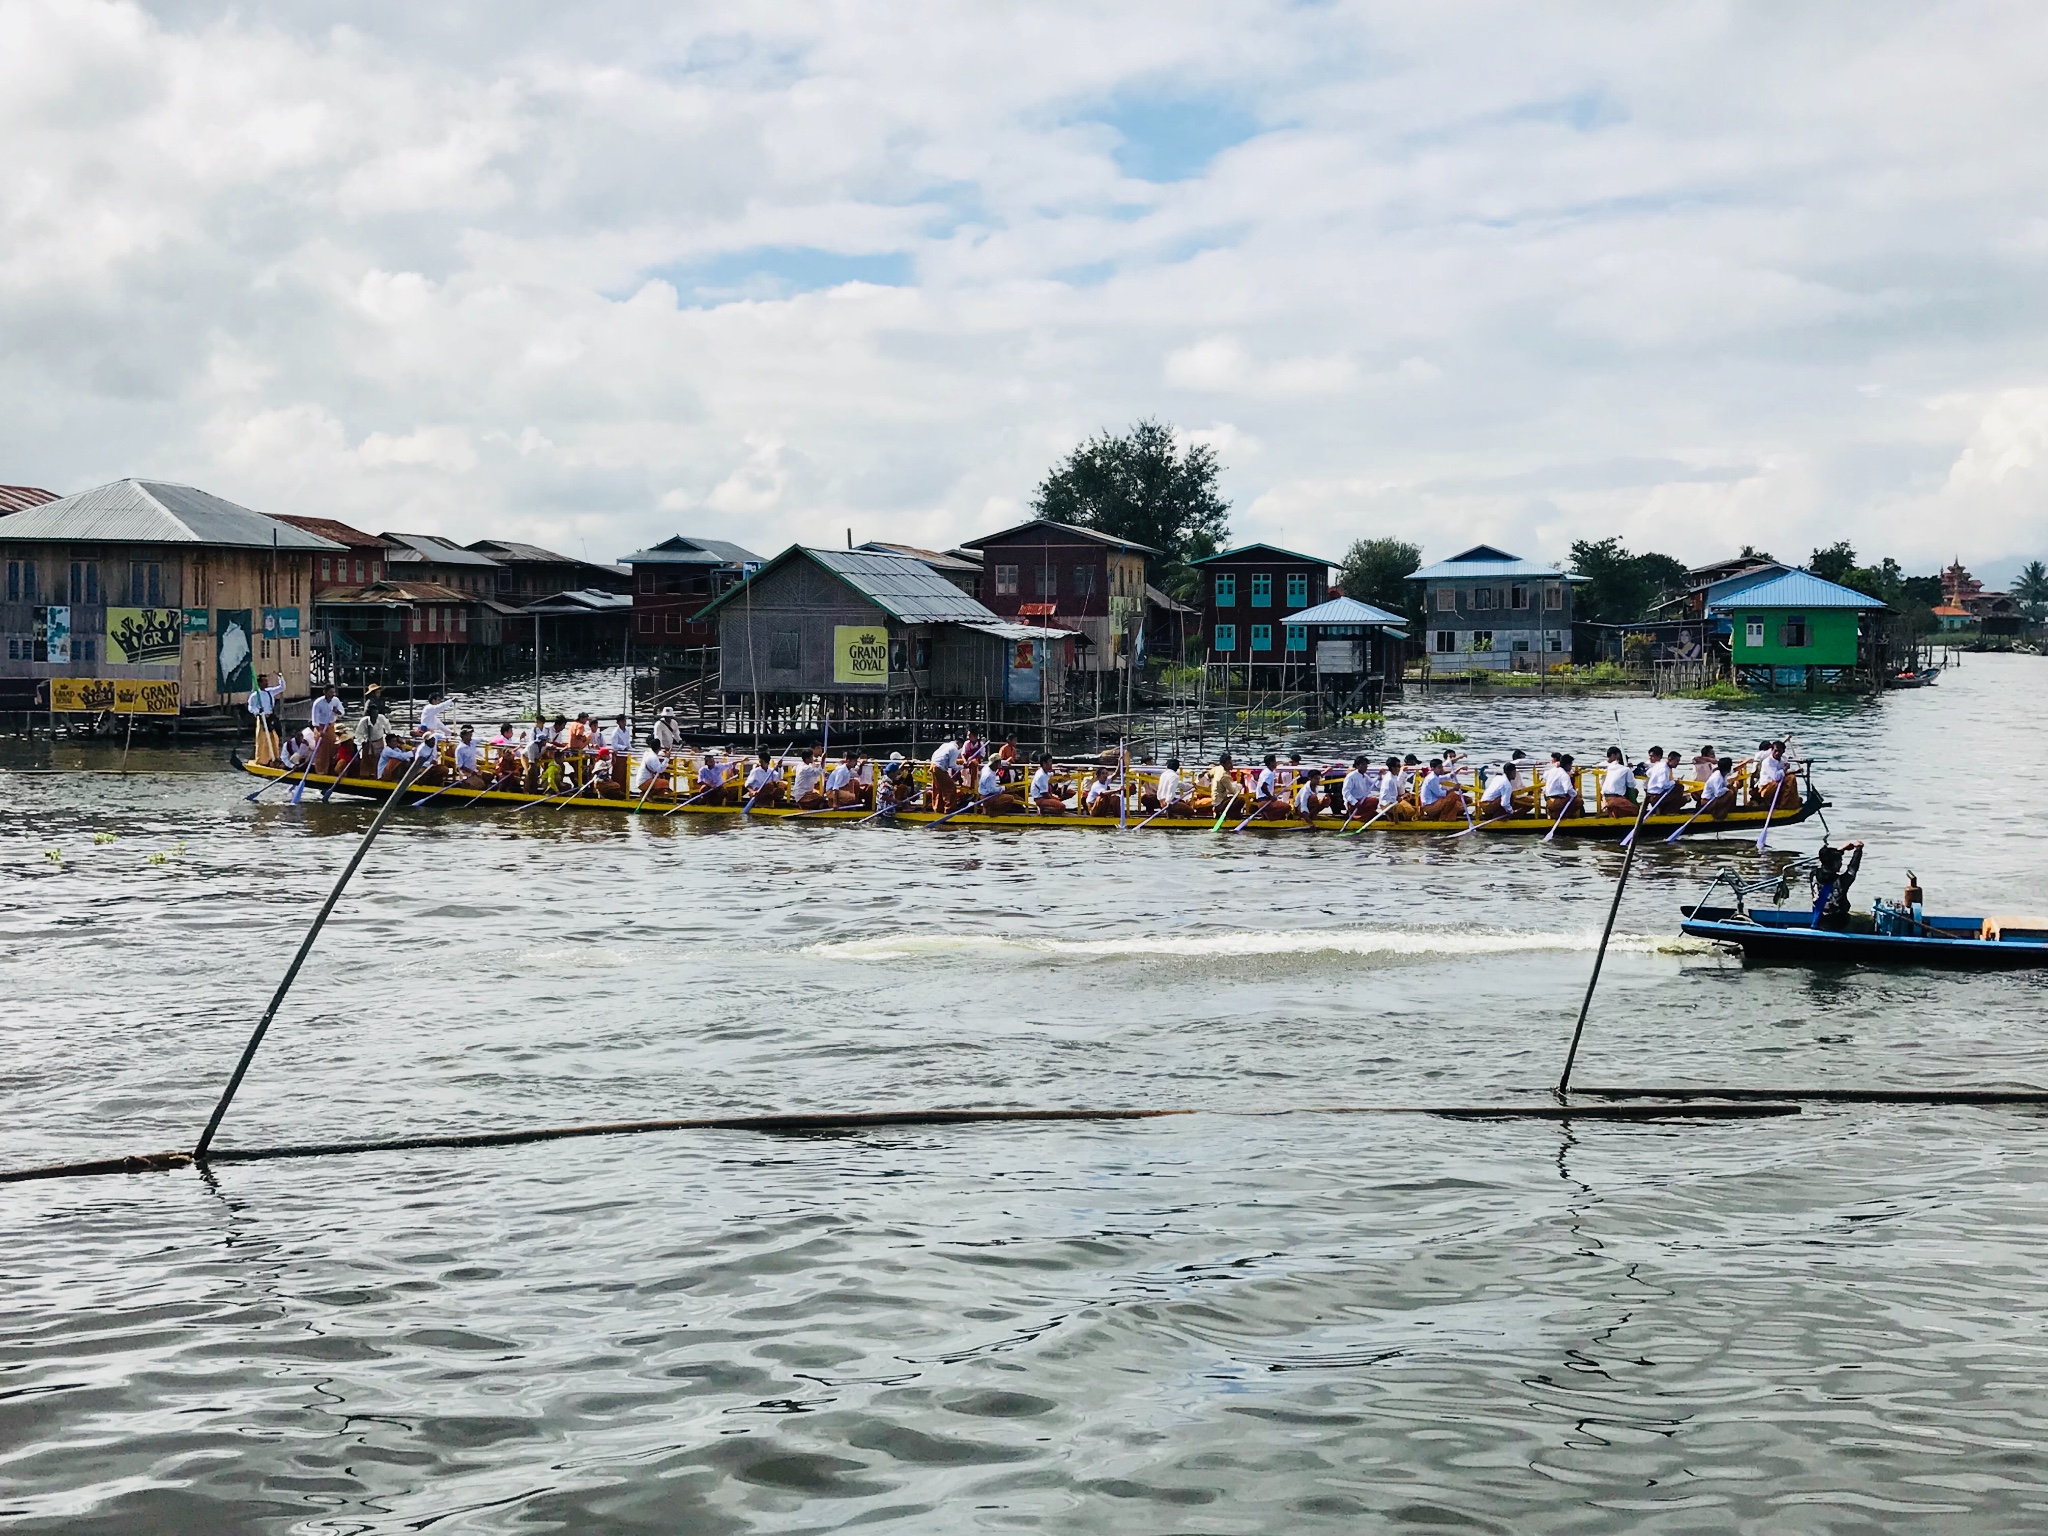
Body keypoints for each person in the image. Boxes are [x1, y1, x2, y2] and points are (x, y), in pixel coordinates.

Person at [1811, 841, 1865, 928]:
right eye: (1840, 861)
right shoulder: (1841, 881)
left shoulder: (1813, 874)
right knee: (1868, 921)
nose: (1841, 863)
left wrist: (1841, 850)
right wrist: (1858, 850)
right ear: (1835, 863)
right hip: (1840, 923)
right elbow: (1853, 868)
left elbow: (1826, 858)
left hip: (1819, 920)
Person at [247, 672, 287, 764]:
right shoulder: (255, 695)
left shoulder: (270, 692)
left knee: (274, 738)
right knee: (262, 740)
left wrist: (280, 677)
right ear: (259, 683)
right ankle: (261, 760)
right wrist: (258, 711)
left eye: (267, 681)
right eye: (264, 681)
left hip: (270, 717)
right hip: (262, 718)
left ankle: (274, 758)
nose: (267, 683)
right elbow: (251, 707)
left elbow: (282, 688)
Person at [309, 684, 344, 774]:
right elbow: (315, 720)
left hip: (331, 726)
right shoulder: (318, 703)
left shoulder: (335, 700)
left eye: (333, 692)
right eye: (330, 692)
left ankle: (331, 768)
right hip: (320, 727)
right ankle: (321, 770)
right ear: (325, 692)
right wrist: (320, 731)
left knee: (333, 747)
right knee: (322, 750)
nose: (332, 694)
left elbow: (342, 712)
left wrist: (337, 711)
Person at [1417, 757, 1464, 821]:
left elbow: (1449, 776)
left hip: (1435, 804)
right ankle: (1444, 818)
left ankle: (1447, 816)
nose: (1442, 769)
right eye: (1439, 767)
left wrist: (1460, 768)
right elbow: (1440, 793)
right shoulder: (1432, 778)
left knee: (1459, 805)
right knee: (1452, 796)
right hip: (1430, 807)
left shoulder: (1435, 776)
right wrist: (1454, 788)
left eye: (1442, 767)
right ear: (1433, 769)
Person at [1643, 746, 1681, 814]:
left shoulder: (1659, 764)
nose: (1678, 763)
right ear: (1670, 759)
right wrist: (1674, 782)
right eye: (1676, 761)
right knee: (1679, 787)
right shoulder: (1663, 769)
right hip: (1656, 795)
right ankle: (1670, 811)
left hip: (1651, 793)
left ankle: (1665, 809)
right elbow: (1663, 785)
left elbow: (1648, 773)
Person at [929, 737, 963, 813]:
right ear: (960, 744)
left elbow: (934, 755)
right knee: (951, 788)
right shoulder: (954, 749)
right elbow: (952, 765)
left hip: (933, 766)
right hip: (939, 768)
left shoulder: (945, 745)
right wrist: (961, 767)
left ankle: (938, 808)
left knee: (939, 788)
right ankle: (950, 809)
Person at [1600, 747, 1635, 817]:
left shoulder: (1610, 767)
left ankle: (1613, 810)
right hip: (1614, 797)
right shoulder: (1626, 769)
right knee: (1634, 809)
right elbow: (1632, 785)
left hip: (1605, 796)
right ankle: (1614, 813)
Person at [1544, 753, 1580, 819]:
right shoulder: (1564, 775)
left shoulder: (1552, 770)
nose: (1571, 767)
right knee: (1579, 801)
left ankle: (1556, 812)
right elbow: (1568, 790)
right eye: (1570, 765)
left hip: (1548, 799)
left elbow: (1544, 776)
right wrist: (1575, 794)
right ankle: (1560, 815)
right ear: (1567, 765)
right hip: (1556, 801)